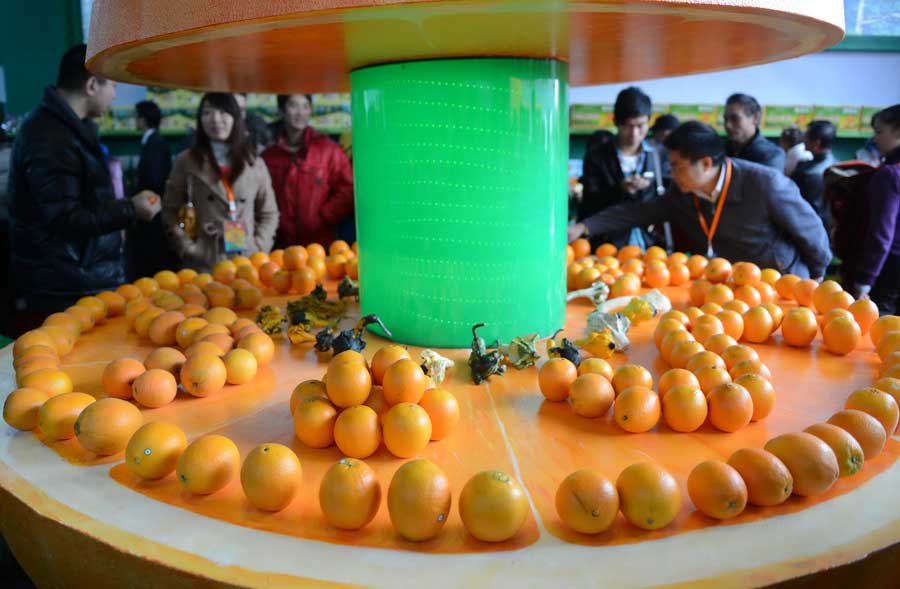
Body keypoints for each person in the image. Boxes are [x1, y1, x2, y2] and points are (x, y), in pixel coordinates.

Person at [8, 44, 160, 330]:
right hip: (65, 286)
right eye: (113, 85)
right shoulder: (50, 137)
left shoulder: (67, 128)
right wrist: (131, 209)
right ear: (92, 85)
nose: (115, 95)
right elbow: (65, 218)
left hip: (77, 278)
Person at [568, 121, 831, 279]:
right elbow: (639, 211)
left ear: (705, 163)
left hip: (782, 282)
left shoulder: (765, 185)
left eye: (677, 166)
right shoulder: (682, 193)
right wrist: (584, 227)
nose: (672, 174)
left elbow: (812, 233)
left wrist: (816, 278)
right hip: (733, 285)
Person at [162, 92, 279, 273]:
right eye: (208, 113)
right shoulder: (186, 161)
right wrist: (187, 247)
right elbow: (170, 211)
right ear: (200, 119)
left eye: (223, 112)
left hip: (246, 262)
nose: (216, 119)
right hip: (203, 262)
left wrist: (259, 247)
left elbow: (269, 212)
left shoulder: (254, 162)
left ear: (236, 118)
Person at [577, 87, 670, 249]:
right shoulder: (598, 157)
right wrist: (619, 188)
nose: (634, 133)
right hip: (607, 246)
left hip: (653, 245)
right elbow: (589, 203)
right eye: (627, 126)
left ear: (649, 121)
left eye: (640, 125)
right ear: (615, 122)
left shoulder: (659, 155)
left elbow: (669, 198)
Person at [261, 93, 354, 248]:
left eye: (305, 106)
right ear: (281, 110)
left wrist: (324, 216)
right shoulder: (269, 156)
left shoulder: (327, 149)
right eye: (293, 106)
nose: (300, 113)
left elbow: (348, 189)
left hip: (319, 244)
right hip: (280, 245)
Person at [854, 104, 900, 314]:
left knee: (879, 328)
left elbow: (882, 233)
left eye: (880, 132)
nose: (875, 139)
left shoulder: (890, 174)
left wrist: (866, 278)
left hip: (886, 267)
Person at [129, 100, 176, 279]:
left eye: (136, 117)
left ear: (143, 119)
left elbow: (154, 181)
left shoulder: (155, 144)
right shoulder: (153, 141)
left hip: (152, 211)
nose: (135, 121)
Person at [791, 120, 836, 234]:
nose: (803, 140)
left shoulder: (806, 172)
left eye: (806, 137)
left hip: (807, 226)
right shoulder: (838, 165)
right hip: (829, 226)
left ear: (817, 142)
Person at [724, 93, 785, 171]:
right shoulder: (720, 150)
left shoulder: (772, 155)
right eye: (726, 119)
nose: (727, 125)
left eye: (735, 119)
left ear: (755, 118)